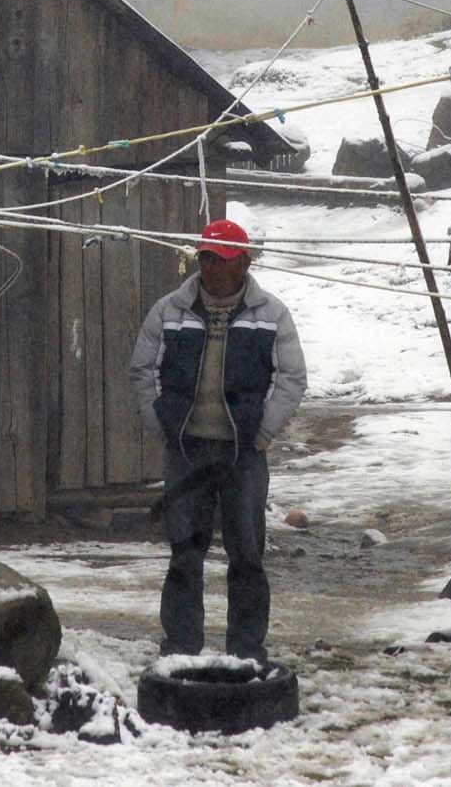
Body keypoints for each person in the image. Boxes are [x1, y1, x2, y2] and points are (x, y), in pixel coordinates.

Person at [130, 218, 307, 662]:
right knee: (184, 556)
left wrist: (263, 432)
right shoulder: (169, 309)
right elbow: (142, 370)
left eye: (221, 260)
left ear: (243, 263)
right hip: (187, 451)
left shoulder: (272, 314)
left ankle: (247, 652)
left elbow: (293, 378)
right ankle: (180, 650)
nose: (211, 268)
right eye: (205, 258)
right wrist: (161, 424)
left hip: (243, 454)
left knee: (247, 556)